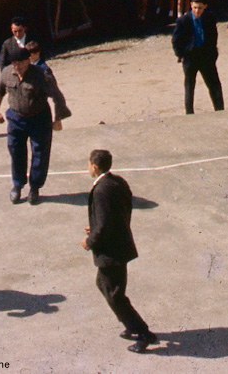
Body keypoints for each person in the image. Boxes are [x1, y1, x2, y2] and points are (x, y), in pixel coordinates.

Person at [81, 149, 157, 354]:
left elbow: (105, 224)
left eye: (89, 164)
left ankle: (142, 332)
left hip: (111, 251)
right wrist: (96, 225)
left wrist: (90, 240)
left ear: (95, 166)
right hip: (120, 245)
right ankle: (131, 324)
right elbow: (119, 212)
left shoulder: (100, 190)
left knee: (114, 294)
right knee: (106, 286)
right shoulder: (118, 182)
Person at [0, 47, 71, 205]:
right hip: (16, 119)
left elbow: (57, 96)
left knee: (40, 154)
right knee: (16, 151)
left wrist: (58, 119)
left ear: (28, 60)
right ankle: (17, 185)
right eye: (15, 64)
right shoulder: (7, 73)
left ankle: (35, 187)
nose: (18, 67)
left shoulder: (42, 75)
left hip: (39, 118)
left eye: (21, 63)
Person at [172, 0, 224, 115]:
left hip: (206, 56)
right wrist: (181, 54)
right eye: (195, 7)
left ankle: (220, 111)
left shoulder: (209, 18)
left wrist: (213, 54)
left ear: (205, 7)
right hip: (190, 57)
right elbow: (176, 40)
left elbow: (213, 37)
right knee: (190, 86)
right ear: (191, 6)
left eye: (200, 8)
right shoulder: (183, 21)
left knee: (214, 84)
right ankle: (189, 113)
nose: (197, 11)